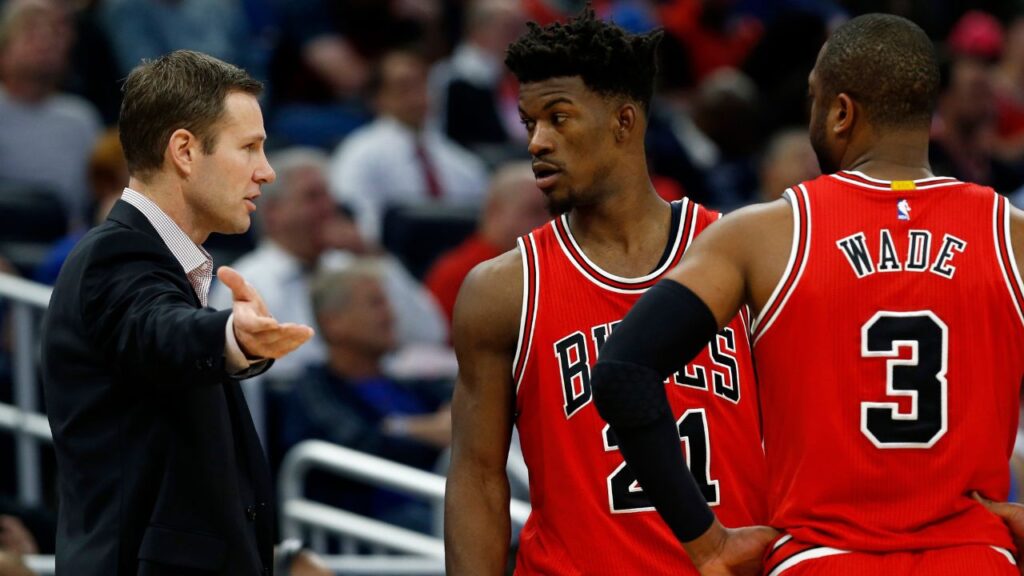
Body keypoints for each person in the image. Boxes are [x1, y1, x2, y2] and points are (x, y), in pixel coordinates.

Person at [591, 13, 1023, 575]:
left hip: (824, 558)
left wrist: (708, 543)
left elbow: (623, 371)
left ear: (841, 113)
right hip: (973, 560)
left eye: (814, 100)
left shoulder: (765, 233)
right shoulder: (1009, 234)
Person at [444, 9, 767, 575]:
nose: (538, 142)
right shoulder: (504, 289)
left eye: (559, 118)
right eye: (528, 123)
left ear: (624, 121)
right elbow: (476, 476)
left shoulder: (742, 257)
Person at [40, 50, 314, 576]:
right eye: (250, 147)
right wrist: (230, 336)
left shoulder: (156, 262)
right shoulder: (113, 255)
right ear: (185, 151)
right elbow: (156, 328)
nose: (267, 171)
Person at [283, 262, 452, 532]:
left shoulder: (404, 383)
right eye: (376, 304)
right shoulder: (314, 391)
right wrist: (419, 430)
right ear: (333, 322)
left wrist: (405, 429)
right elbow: (361, 443)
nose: (391, 316)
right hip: (369, 534)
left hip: (436, 508)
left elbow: (460, 407)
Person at [328, 48, 489, 243]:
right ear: (377, 98)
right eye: (403, 87)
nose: (417, 96)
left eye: (422, 85)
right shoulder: (359, 154)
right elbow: (353, 220)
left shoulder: (462, 163)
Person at [0, 0, 102, 229]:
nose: (45, 41)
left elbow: (98, 196)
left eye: (54, 34)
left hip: (68, 244)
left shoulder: (81, 118)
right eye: (31, 31)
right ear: (4, 50)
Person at [424, 160, 548, 326]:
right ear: (495, 211)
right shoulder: (459, 275)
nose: (549, 222)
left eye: (554, 212)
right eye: (534, 212)